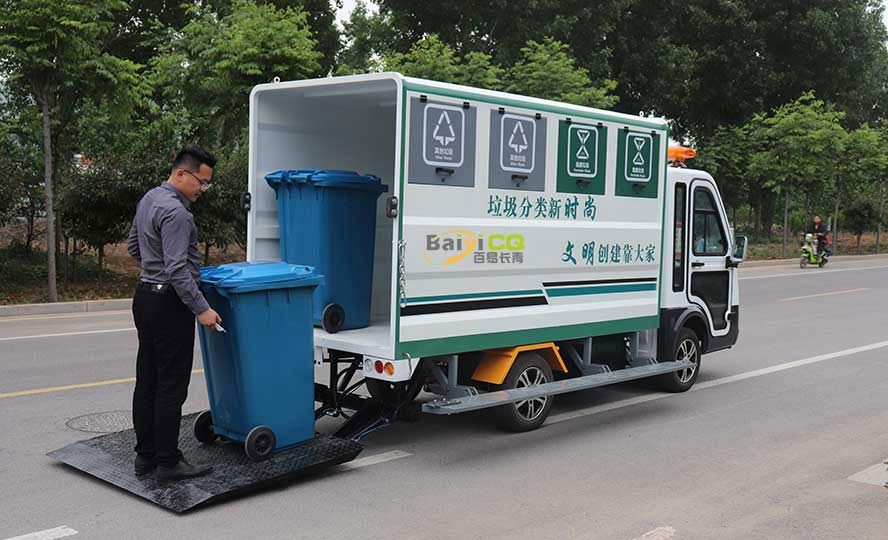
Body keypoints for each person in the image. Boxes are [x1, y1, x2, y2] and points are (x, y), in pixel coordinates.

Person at [127, 145, 221, 481]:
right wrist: (203, 309)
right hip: (169, 304)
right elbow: (178, 270)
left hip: (145, 298)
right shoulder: (178, 214)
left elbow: (134, 247)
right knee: (171, 385)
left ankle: (145, 457)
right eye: (201, 182)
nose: (202, 190)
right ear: (181, 173)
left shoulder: (149, 199)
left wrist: (154, 270)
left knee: (148, 380)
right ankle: (168, 462)